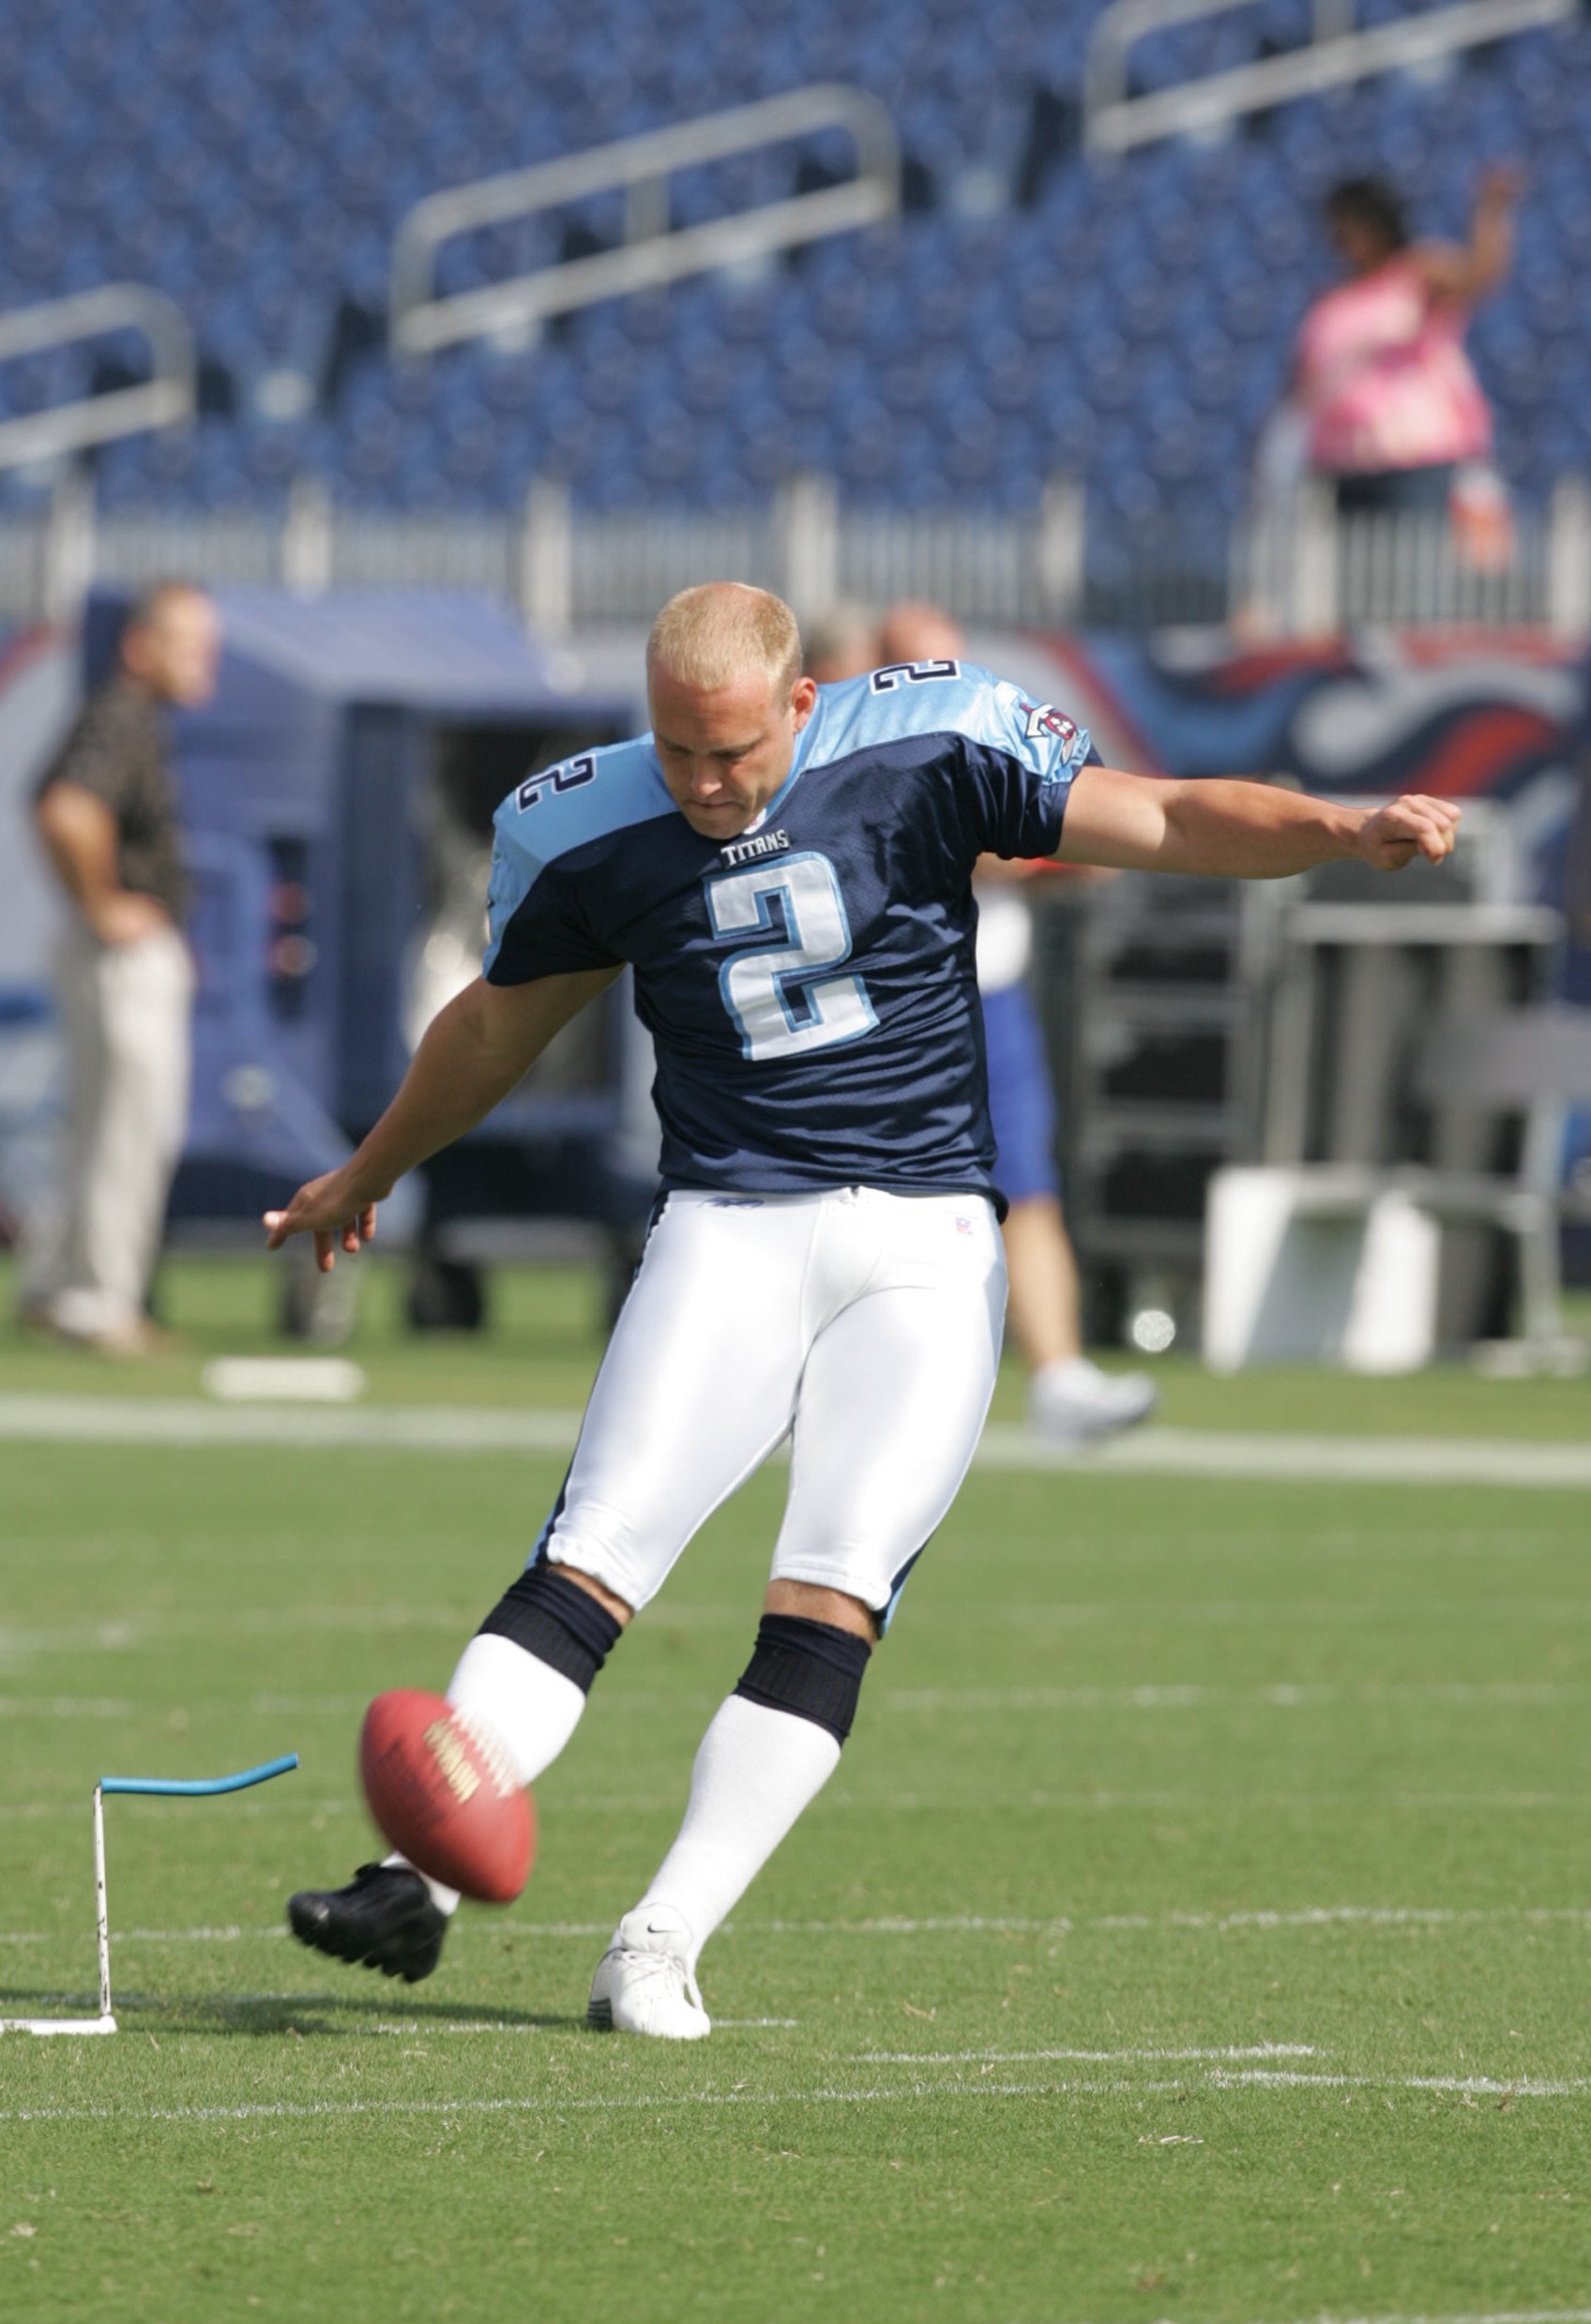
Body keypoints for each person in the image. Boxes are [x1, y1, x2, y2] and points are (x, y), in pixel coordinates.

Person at [267, 581, 1457, 2037]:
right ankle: (415, 1876)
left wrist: (1340, 828)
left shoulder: (930, 741)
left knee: (831, 1592)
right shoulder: (578, 821)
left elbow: (1164, 818)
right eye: (677, 751)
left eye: (736, 753)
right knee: (592, 1555)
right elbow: (498, 1026)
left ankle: (659, 1939)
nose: (705, 786)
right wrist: (365, 1171)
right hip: (726, 1223)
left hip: (923, 1238)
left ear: (804, 704)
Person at [874, 602, 1156, 1442]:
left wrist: (1080, 846)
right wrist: (1046, 856)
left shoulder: (985, 732)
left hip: (990, 997)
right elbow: (975, 851)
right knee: (865, 1197)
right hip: (898, 1009)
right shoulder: (856, 753)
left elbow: (1090, 828)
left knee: (1027, 1188)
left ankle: (1059, 1376)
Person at [22, 582, 220, 1355]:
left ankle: (57, 1288)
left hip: (106, 950)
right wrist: (104, 901)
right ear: (143, 645)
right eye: (188, 641)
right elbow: (67, 809)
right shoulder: (125, 715)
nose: (205, 659)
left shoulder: (124, 714)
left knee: (96, 1126)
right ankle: (100, 1302)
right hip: (122, 952)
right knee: (131, 1130)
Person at [1296, 166, 1519, 521]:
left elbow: (1479, 275)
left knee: (1408, 570)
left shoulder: (1417, 273)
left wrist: (1491, 212)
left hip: (1415, 462)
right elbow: (1303, 382)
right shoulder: (1332, 300)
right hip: (1343, 465)